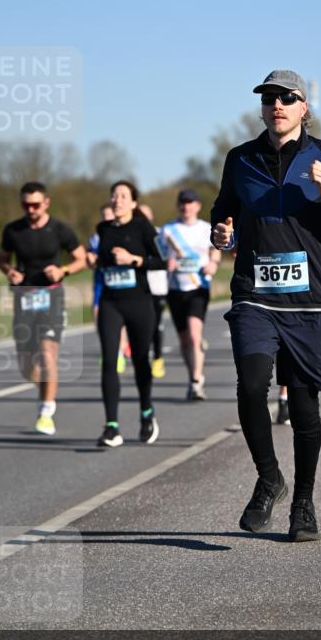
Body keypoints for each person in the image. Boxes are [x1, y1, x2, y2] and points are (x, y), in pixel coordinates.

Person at [211, 69, 321, 542]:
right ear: (262, 109)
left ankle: (303, 502)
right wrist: (222, 233)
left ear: (304, 108)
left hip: (309, 302)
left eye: (286, 97)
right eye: (268, 98)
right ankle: (269, 479)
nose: (276, 104)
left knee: (303, 407)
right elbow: (223, 212)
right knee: (250, 385)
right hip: (254, 296)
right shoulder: (240, 159)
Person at [0, 182, 86, 434]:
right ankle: (46, 389)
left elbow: (81, 259)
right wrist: (9, 271)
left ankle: (46, 411)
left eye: (35, 204)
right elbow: (2, 260)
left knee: (47, 354)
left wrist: (63, 270)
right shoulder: (12, 230)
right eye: (25, 205)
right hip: (24, 299)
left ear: (46, 203)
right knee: (26, 367)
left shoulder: (60, 229)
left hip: (52, 297)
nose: (30, 209)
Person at [95, 181, 166, 447]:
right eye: (114, 195)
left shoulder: (142, 227)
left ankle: (146, 412)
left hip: (139, 302)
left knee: (140, 360)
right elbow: (103, 261)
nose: (117, 200)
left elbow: (161, 261)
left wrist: (133, 259)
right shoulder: (102, 229)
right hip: (110, 302)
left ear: (133, 202)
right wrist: (95, 261)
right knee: (109, 360)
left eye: (123, 196)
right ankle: (111, 426)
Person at [159, 189, 221, 401]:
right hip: (175, 288)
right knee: (185, 341)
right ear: (179, 206)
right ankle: (193, 375)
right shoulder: (168, 230)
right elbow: (159, 254)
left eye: (190, 202)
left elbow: (215, 249)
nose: (186, 206)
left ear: (198, 205)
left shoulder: (206, 228)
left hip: (198, 287)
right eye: (183, 203)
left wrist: (213, 263)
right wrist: (166, 262)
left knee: (195, 336)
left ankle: (196, 382)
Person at [87, 204, 129, 374]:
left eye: (109, 215)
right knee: (98, 316)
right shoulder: (95, 237)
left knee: (120, 318)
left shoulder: (123, 233)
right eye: (104, 216)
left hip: (120, 281)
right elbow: (90, 258)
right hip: (101, 281)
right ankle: (109, 347)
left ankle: (119, 351)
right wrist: (90, 259)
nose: (107, 218)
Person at [139, 203, 168, 380]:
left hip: (157, 287)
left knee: (155, 325)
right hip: (138, 288)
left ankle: (157, 358)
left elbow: (164, 258)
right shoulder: (132, 233)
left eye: (146, 216)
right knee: (140, 326)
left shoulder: (158, 234)